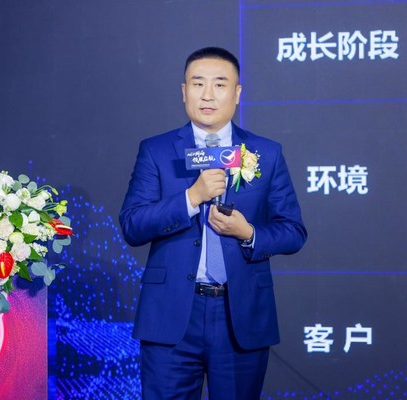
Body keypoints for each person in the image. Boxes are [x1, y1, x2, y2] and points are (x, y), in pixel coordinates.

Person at [119, 47, 307, 399]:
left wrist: (249, 233)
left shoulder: (266, 153)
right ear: (184, 91)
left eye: (220, 84)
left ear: (237, 93)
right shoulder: (156, 150)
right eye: (198, 84)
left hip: (240, 316)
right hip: (172, 315)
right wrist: (191, 198)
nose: (207, 95)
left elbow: (293, 231)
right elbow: (132, 224)